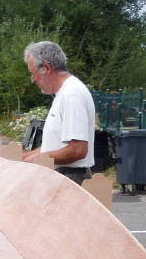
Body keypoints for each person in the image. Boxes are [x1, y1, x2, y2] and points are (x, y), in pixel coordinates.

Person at [21, 41, 95, 185]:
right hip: (63, 176)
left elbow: (78, 150)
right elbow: (53, 147)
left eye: (33, 73)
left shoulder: (72, 94)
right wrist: (21, 158)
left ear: (46, 68)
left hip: (70, 179)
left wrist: (37, 159)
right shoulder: (63, 94)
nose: (32, 80)